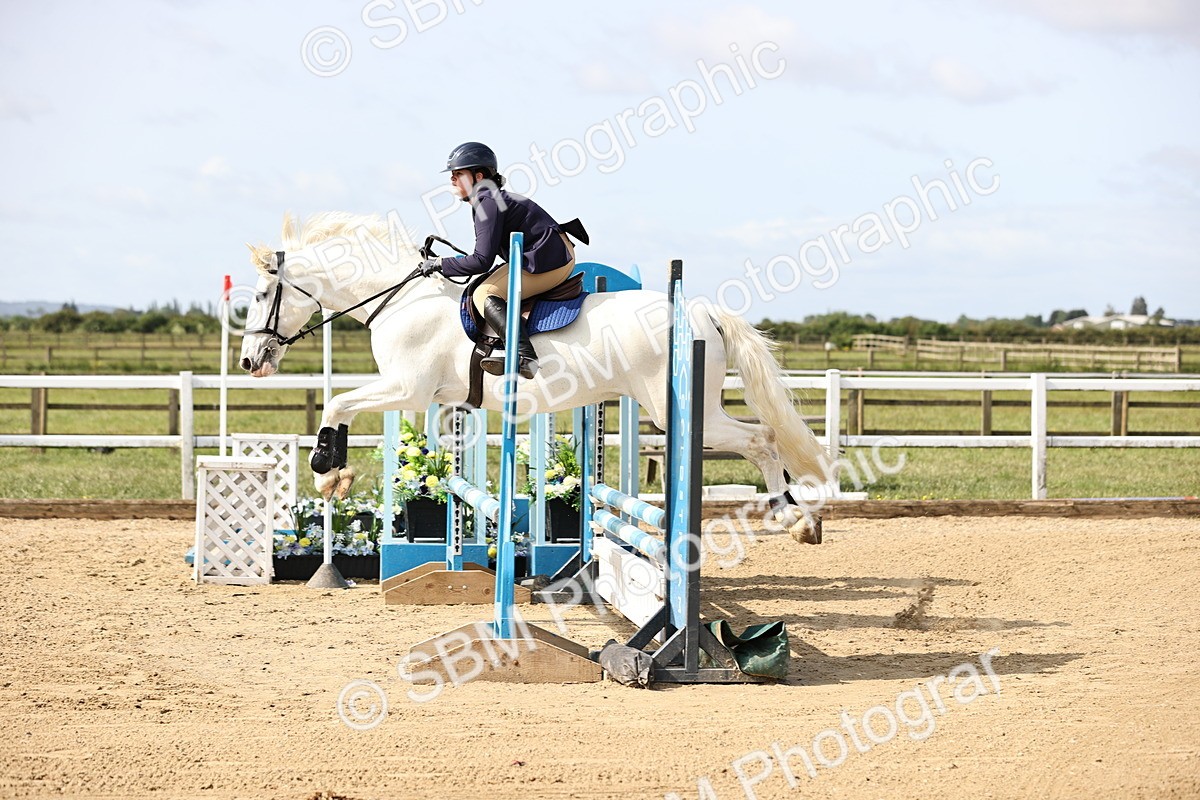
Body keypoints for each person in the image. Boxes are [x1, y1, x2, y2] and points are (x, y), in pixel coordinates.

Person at [417, 142, 576, 379]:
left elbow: (481, 261)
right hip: (548, 255)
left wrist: (440, 264)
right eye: (452, 175)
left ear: (478, 176)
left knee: (484, 294)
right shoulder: (489, 199)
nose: (452, 180)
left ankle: (525, 356)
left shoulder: (486, 202)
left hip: (549, 261)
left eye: (458, 173)